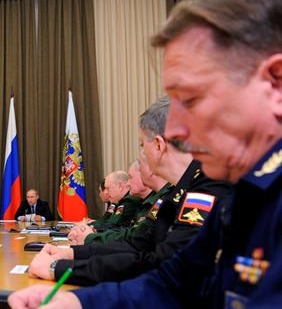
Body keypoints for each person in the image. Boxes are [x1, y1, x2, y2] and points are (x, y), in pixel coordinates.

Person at [10, 0, 281, 309]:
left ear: (274, 82)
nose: (176, 131)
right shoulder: (249, 191)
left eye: (191, 99)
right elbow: (175, 281)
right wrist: (80, 307)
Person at [28, 97, 231, 285]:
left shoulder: (206, 187)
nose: (142, 153)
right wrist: (71, 254)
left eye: (142, 144)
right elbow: (137, 244)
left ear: (159, 145)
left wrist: (60, 269)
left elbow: (158, 265)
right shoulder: (180, 190)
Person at [68, 160, 169, 245]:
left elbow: (133, 235)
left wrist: (93, 234)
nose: (128, 183)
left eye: (131, 177)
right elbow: (122, 229)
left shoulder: (132, 201)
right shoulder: (144, 201)